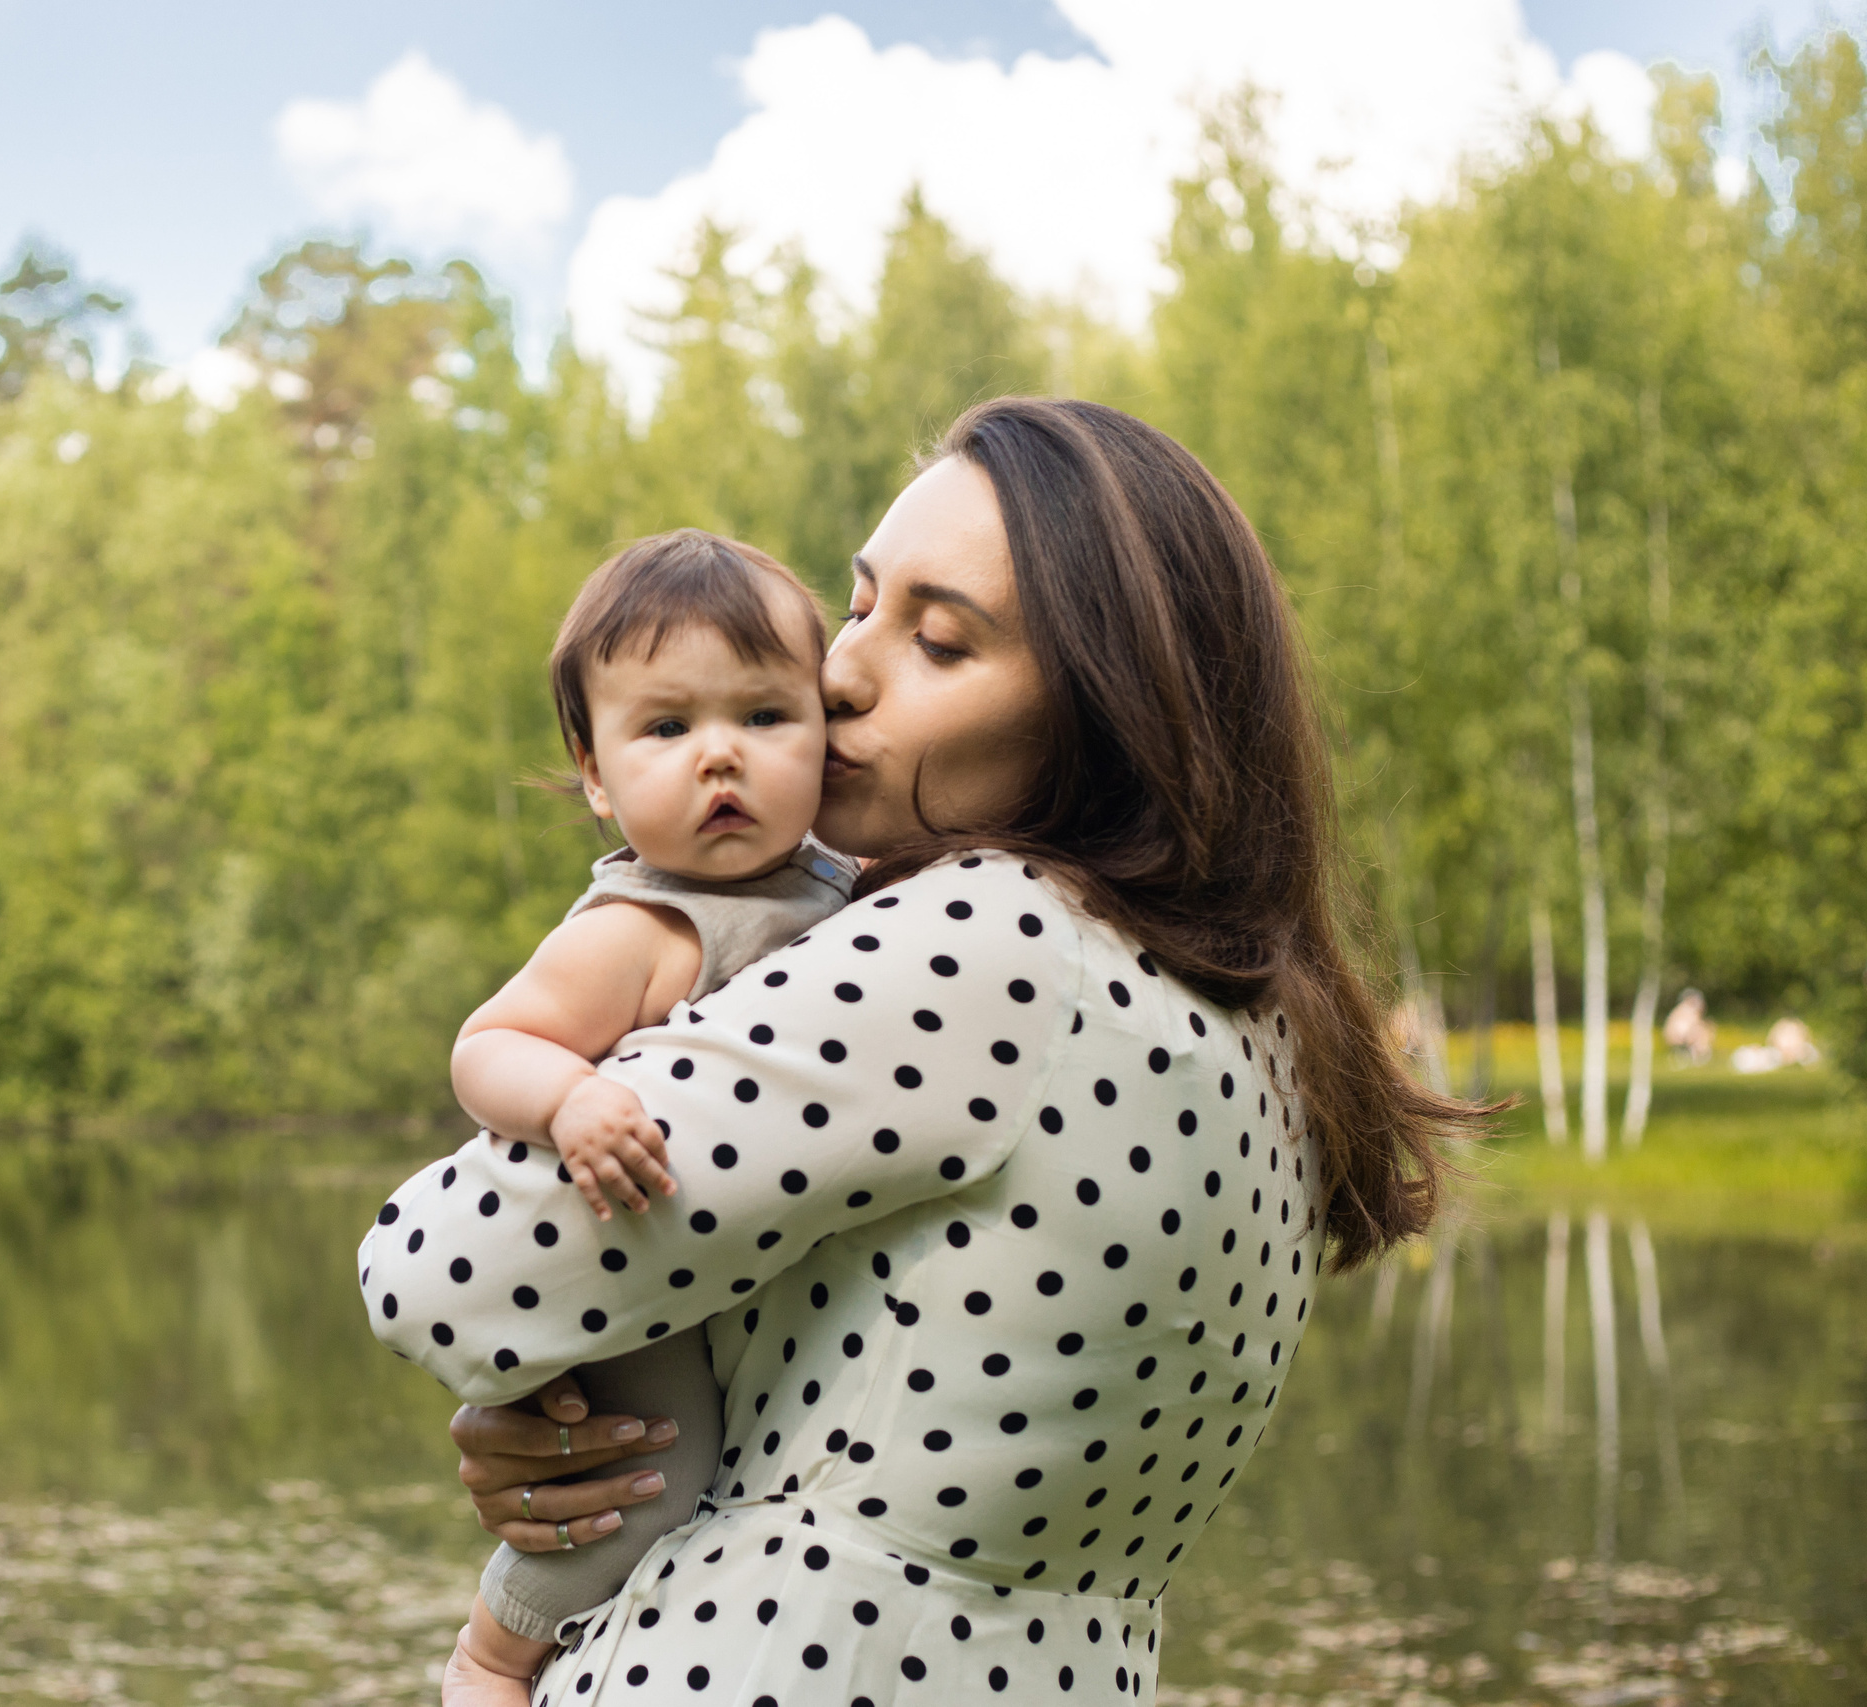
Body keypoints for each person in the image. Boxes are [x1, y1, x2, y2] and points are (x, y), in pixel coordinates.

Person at [360, 397, 1481, 1704]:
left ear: (1108, 720)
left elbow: (438, 1267)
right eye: (859, 603)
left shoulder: (993, 943)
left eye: (939, 640)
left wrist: (546, 1396)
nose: (837, 672)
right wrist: (589, 1422)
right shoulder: (1276, 1034)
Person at [444, 529, 859, 1696]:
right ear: (594, 772)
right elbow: (487, 1046)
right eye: (666, 729)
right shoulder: (638, 929)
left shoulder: (845, 884)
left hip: (740, 1268)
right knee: (652, 1486)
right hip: (635, 1293)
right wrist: (570, 1096)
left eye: (766, 717)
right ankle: (495, 1652)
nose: (719, 758)